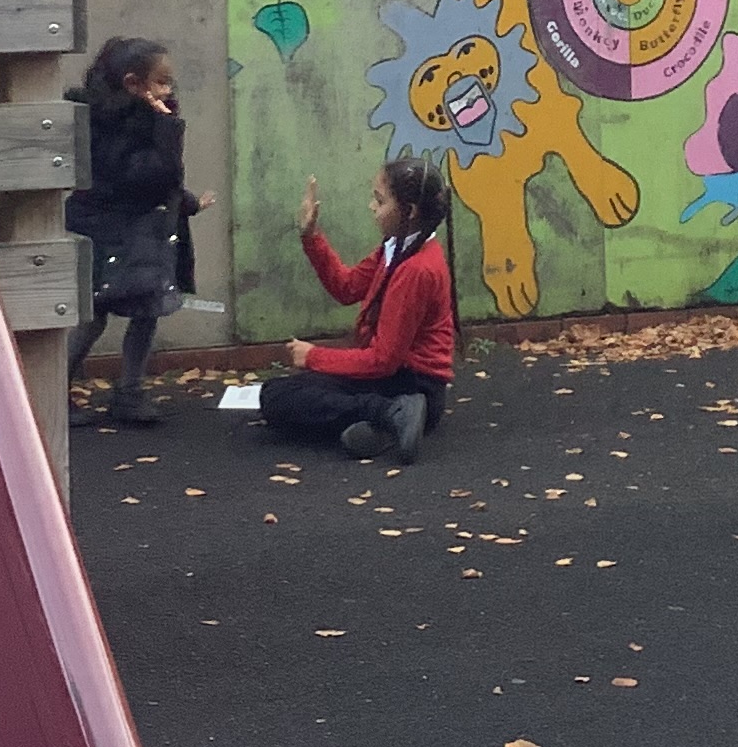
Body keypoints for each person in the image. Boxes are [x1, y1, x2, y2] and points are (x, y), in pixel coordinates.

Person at [258, 158, 458, 463]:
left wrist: (313, 356)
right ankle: (387, 425)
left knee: (277, 396)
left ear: (409, 211)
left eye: (380, 200)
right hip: (399, 380)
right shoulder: (397, 247)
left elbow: (383, 361)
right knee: (286, 391)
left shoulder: (416, 269)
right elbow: (347, 287)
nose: (371, 206)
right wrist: (311, 235)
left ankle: (389, 413)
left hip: (413, 386)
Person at [63, 38, 210, 430]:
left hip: (139, 230)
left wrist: (187, 202)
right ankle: (57, 388)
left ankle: (130, 390)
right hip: (113, 230)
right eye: (161, 82)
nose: (168, 90)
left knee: (146, 308)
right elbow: (152, 176)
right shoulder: (109, 124)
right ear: (132, 83)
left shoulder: (137, 119)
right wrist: (168, 129)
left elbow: (161, 182)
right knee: (94, 312)